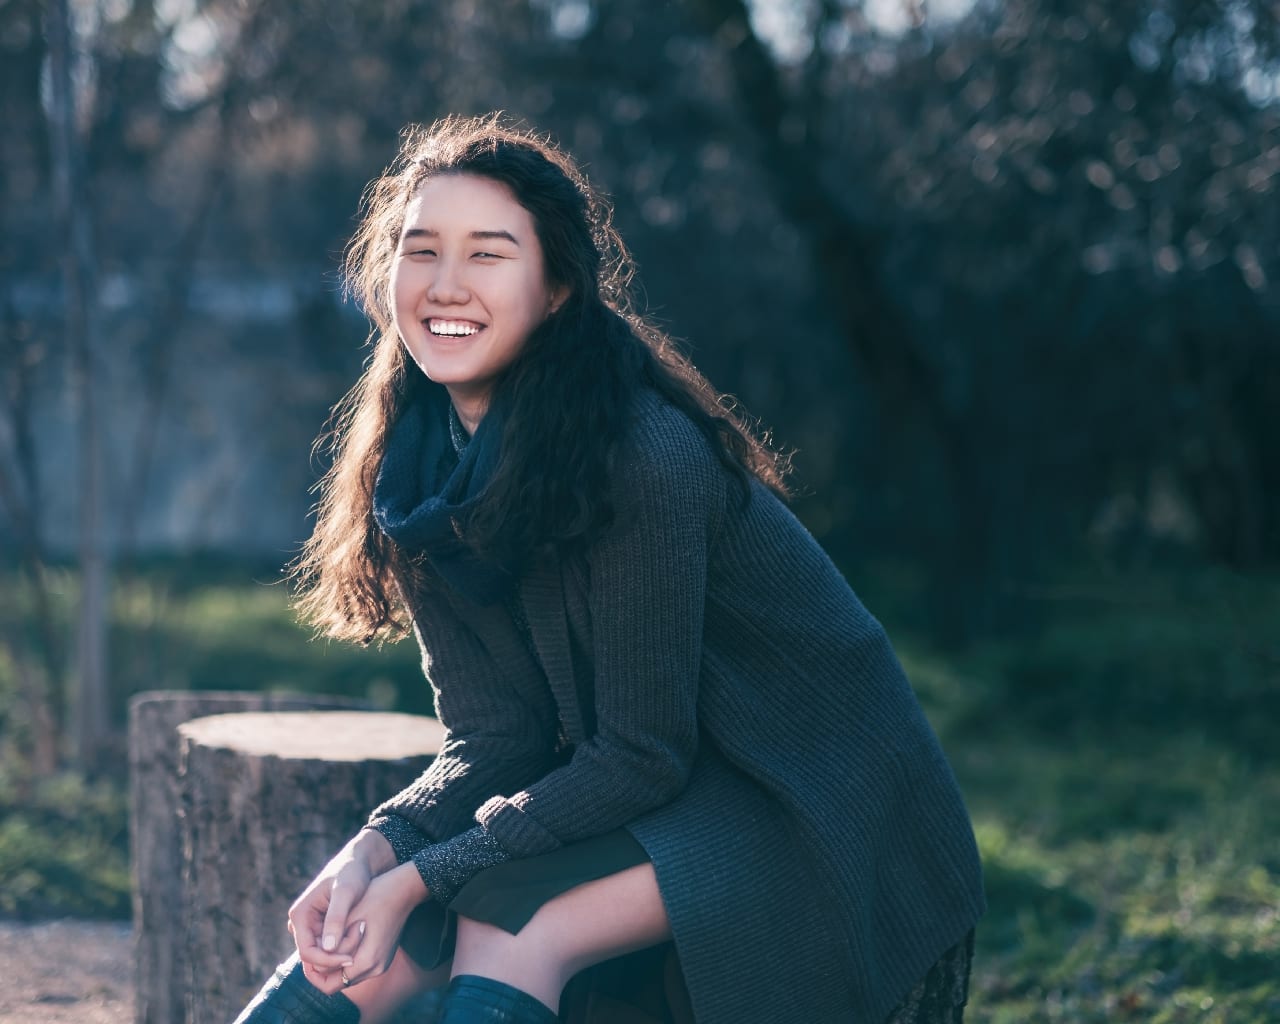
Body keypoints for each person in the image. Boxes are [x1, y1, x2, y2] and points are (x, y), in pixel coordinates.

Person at [233, 113, 985, 1024]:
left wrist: (426, 875)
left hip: (802, 797)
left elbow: (641, 753)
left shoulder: (641, 460)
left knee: (510, 927)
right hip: (652, 782)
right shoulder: (420, 471)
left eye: (489, 254)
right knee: (362, 961)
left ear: (557, 291)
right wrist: (370, 854)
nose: (446, 285)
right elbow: (494, 739)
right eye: (421, 249)